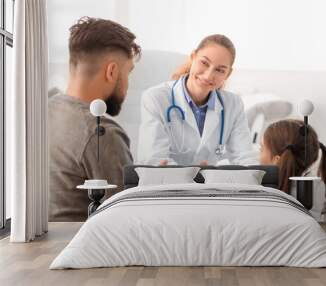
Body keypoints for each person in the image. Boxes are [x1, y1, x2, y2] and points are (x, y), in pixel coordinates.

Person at [48, 17, 141, 222]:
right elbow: (128, 220)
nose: (127, 84)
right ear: (112, 71)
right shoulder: (101, 133)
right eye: (128, 72)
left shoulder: (43, 109)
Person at [138, 34, 257, 166]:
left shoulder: (233, 105)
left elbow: (245, 158)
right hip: (166, 184)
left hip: (211, 185)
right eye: (204, 63)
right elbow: (153, 159)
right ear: (193, 57)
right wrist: (195, 175)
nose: (208, 75)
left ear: (228, 74)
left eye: (219, 70)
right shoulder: (156, 98)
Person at [260, 119, 326, 222]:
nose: (258, 155)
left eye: (261, 149)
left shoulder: (267, 195)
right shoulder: (318, 187)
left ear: (277, 160)